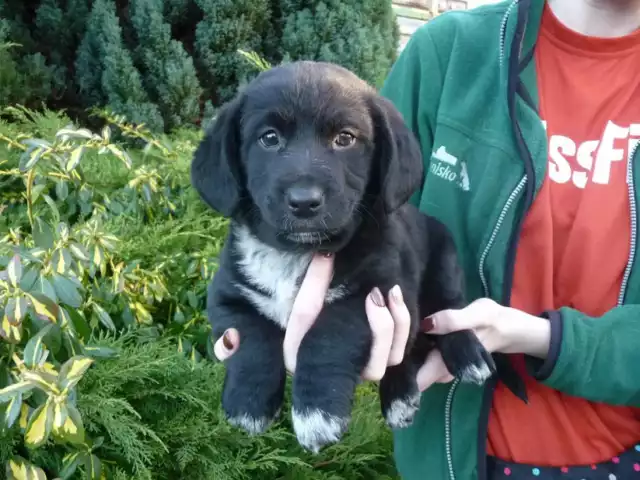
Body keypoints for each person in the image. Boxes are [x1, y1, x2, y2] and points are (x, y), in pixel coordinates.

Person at [213, 0, 640, 478]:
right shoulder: (449, 52)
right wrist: (258, 304)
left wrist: (541, 337)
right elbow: (372, 214)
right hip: (448, 459)